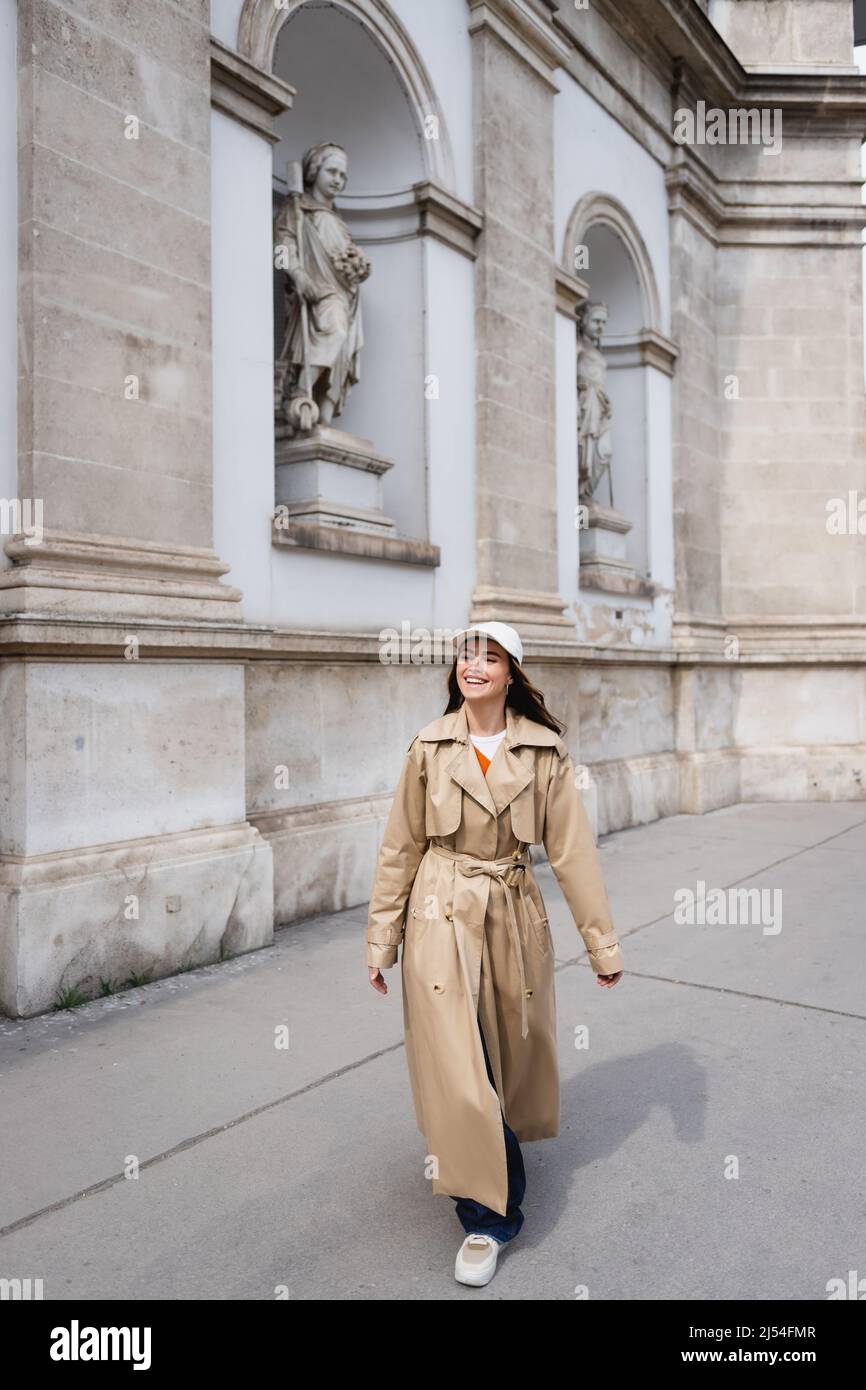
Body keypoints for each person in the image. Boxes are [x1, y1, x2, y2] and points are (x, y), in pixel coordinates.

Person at [366, 621, 624, 1287]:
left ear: (512, 673)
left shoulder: (543, 753)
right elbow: (401, 847)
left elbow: (573, 854)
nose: (472, 665)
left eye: (489, 656)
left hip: (511, 911)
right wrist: (382, 939)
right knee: (456, 1065)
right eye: (465, 653)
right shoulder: (428, 746)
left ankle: (497, 1160)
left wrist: (602, 945)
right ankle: (488, 1217)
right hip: (437, 912)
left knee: (504, 1057)